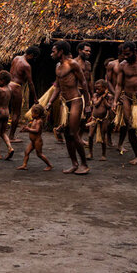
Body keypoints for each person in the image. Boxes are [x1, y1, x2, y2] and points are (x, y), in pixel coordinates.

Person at [46, 41, 91, 175]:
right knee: (67, 134)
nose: (52, 54)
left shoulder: (73, 64)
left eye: (54, 51)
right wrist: (49, 103)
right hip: (65, 103)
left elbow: (83, 82)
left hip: (76, 100)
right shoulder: (58, 66)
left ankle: (84, 164)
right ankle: (74, 164)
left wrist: (88, 104)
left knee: (73, 133)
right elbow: (58, 87)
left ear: (61, 52)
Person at [8, 46, 40, 142]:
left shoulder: (16, 58)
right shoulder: (26, 65)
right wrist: (35, 97)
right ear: (31, 55)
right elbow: (30, 83)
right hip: (16, 87)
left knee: (4, 109)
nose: (33, 60)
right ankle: (11, 137)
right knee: (16, 113)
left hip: (8, 85)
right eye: (33, 58)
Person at [17, 104, 52, 171]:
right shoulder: (34, 120)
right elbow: (31, 129)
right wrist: (25, 130)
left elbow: (37, 130)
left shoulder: (39, 121)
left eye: (32, 113)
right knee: (27, 152)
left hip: (37, 141)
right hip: (33, 141)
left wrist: (28, 129)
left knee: (39, 154)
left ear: (37, 114)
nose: (31, 115)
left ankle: (49, 165)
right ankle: (24, 165)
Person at [106, 45, 127, 153]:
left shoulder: (129, 64)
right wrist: (114, 95)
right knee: (111, 120)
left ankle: (120, 144)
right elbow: (108, 80)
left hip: (125, 96)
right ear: (119, 54)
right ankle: (108, 137)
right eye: (123, 54)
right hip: (113, 94)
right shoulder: (112, 64)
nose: (125, 57)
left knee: (125, 122)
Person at [86, 79, 112, 161]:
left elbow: (109, 107)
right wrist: (102, 97)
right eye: (96, 89)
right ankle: (90, 153)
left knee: (103, 137)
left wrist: (104, 99)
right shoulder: (95, 95)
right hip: (94, 119)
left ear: (105, 88)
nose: (97, 90)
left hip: (103, 119)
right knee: (90, 136)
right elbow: (96, 104)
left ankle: (103, 155)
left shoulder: (109, 97)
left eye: (99, 88)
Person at [0, 71, 14, 160]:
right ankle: (10, 147)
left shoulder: (0, 90)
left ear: (3, 81)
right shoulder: (10, 89)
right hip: (6, 112)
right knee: (3, 132)